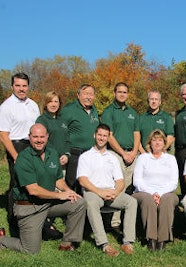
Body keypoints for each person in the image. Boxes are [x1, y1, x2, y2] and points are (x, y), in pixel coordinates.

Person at [0, 124, 87, 254]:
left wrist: (67, 191)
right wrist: (59, 195)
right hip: (29, 207)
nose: (39, 140)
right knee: (30, 250)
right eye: (35, 136)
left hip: (48, 203)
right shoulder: (23, 159)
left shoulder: (52, 153)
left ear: (47, 137)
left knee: (79, 203)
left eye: (42, 136)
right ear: (29, 138)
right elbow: (33, 190)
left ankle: (67, 243)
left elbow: (58, 179)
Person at [0, 72, 60, 239]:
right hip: (16, 145)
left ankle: (41, 223)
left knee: (39, 184)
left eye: (24, 86)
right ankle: (15, 225)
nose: (21, 89)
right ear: (12, 86)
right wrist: (16, 156)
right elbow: (3, 134)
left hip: (34, 145)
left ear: (28, 87)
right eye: (18, 85)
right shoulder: (6, 106)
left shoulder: (32, 104)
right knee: (17, 187)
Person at [77, 123, 137, 257]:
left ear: (108, 138)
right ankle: (104, 244)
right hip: (92, 192)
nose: (102, 138)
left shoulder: (112, 158)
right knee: (92, 204)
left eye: (105, 136)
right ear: (94, 135)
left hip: (111, 192)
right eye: (99, 135)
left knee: (131, 202)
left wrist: (115, 192)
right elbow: (83, 181)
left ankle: (127, 242)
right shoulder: (85, 156)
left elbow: (120, 181)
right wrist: (100, 192)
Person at [101, 82, 140, 229]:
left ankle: (126, 220)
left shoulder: (133, 112)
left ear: (128, 94)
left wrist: (134, 152)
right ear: (114, 93)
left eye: (125, 92)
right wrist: (123, 153)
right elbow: (108, 135)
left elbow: (137, 134)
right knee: (116, 186)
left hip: (132, 154)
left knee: (129, 188)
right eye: (119, 92)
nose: (122, 94)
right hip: (116, 154)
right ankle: (112, 222)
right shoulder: (108, 111)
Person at [133, 129, 179, 251]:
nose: (157, 143)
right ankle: (151, 239)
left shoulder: (170, 159)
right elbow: (137, 181)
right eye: (154, 140)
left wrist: (160, 194)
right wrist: (152, 193)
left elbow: (174, 182)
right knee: (148, 200)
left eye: (160, 140)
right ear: (150, 143)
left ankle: (162, 240)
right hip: (144, 192)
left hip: (166, 192)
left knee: (167, 200)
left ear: (164, 143)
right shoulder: (143, 158)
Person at [59, 84, 99, 191]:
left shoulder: (94, 111)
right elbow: (60, 131)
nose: (88, 97)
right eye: (85, 94)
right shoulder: (69, 109)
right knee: (72, 184)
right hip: (74, 153)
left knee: (88, 184)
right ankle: (71, 207)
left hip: (90, 154)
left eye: (91, 94)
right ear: (78, 95)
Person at [36, 91, 70, 171]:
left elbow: (67, 140)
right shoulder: (42, 120)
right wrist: (55, 156)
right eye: (50, 101)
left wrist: (66, 154)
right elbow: (42, 141)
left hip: (63, 161)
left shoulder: (62, 120)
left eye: (56, 101)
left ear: (59, 104)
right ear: (45, 103)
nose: (53, 104)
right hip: (48, 161)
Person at [138, 89, 175, 153]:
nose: (154, 101)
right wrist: (143, 153)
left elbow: (170, 137)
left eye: (156, 99)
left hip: (162, 154)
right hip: (145, 154)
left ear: (160, 102)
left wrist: (162, 151)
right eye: (151, 99)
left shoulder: (167, 118)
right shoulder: (141, 118)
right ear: (148, 101)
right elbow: (137, 138)